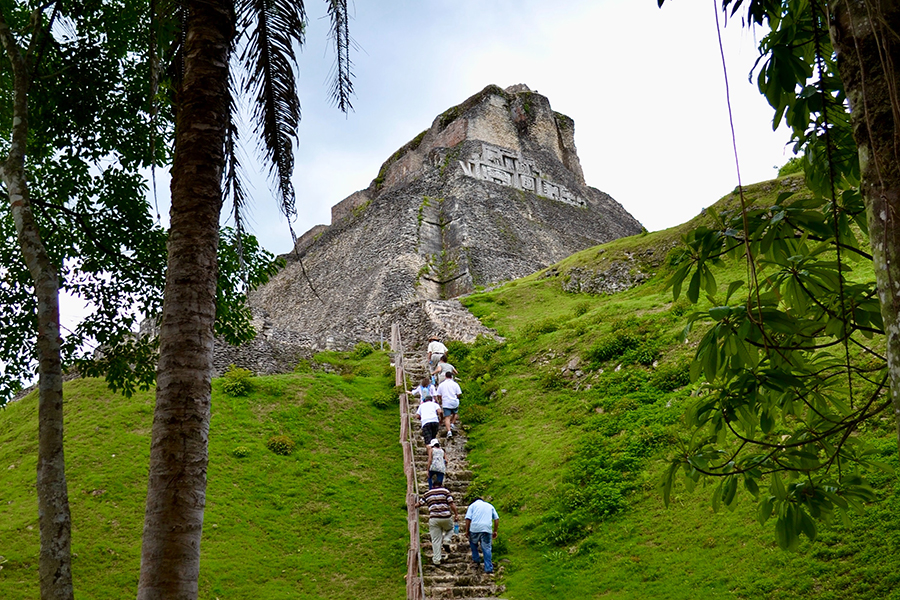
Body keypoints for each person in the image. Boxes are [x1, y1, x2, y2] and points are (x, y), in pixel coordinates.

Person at [418, 485, 459, 565]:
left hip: (434, 518)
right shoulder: (445, 491)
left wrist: (415, 505)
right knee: (451, 529)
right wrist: (456, 514)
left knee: (436, 539)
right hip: (446, 517)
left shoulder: (427, 494)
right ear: (441, 485)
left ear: (432, 486)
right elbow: (451, 504)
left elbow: (420, 503)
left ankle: (437, 560)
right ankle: (447, 540)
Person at [465, 497, 499, 574]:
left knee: (473, 543)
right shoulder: (489, 506)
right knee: (487, 547)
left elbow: (468, 519)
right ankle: (488, 568)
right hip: (487, 529)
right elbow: (496, 519)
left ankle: (476, 559)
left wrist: (467, 531)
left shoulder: (472, 506)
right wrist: (495, 531)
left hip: (475, 528)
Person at [436, 372, 462, 438]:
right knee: (455, 413)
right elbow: (459, 393)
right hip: (454, 401)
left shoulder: (441, 385)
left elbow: (438, 394)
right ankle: (452, 423)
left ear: (445, 376)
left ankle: (449, 431)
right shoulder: (455, 384)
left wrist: (441, 399)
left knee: (447, 417)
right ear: (451, 376)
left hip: (446, 402)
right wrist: (456, 397)